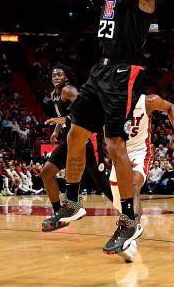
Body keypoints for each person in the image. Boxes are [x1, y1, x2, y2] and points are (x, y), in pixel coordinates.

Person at [50, 0, 159, 256]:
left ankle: (129, 221)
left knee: (114, 144)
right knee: (76, 134)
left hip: (126, 71)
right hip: (101, 69)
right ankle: (71, 201)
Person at [109, 94, 174, 262]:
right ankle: (133, 229)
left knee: (133, 185)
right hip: (119, 154)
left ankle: (130, 237)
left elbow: (170, 106)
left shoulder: (148, 101)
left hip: (140, 152)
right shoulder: (110, 100)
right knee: (120, 200)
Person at [40, 64, 113, 232]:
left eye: (59, 74)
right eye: (53, 75)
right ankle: (61, 214)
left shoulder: (68, 90)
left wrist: (64, 121)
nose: (56, 77)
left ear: (66, 78)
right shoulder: (54, 95)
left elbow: (85, 107)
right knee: (46, 172)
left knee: (101, 181)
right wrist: (56, 131)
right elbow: (61, 116)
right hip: (69, 138)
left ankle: (127, 212)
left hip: (85, 137)